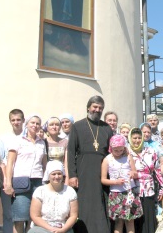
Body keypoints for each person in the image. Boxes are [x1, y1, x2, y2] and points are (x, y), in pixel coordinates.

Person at [67, 95, 114, 233]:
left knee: (101, 202)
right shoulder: (77, 126)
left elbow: (112, 152)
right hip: (84, 169)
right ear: (88, 107)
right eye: (95, 107)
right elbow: (70, 152)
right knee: (85, 202)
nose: (97, 110)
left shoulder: (106, 128)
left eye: (100, 108)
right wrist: (72, 175)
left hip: (102, 170)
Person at [5, 115, 48, 233]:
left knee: (33, 219)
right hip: (21, 182)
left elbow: (44, 165)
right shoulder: (18, 140)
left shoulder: (42, 143)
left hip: (38, 182)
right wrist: (8, 183)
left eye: (38, 123)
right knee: (19, 218)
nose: (35, 125)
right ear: (27, 124)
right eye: (32, 123)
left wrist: (46, 183)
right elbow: (10, 163)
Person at [101, 135, 143, 233]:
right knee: (118, 222)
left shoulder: (128, 157)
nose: (119, 153)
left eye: (121, 150)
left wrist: (133, 173)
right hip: (116, 194)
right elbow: (103, 180)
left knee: (130, 221)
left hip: (129, 193)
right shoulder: (107, 159)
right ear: (111, 148)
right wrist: (115, 182)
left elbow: (135, 173)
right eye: (116, 150)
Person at [128, 127, 163, 233]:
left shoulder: (151, 151)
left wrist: (162, 188)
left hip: (149, 190)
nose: (137, 140)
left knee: (148, 219)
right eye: (134, 138)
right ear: (130, 138)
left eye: (139, 138)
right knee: (136, 221)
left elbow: (157, 171)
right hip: (133, 191)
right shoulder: (126, 153)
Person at [29, 160, 78, 233]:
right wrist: (51, 229)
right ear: (48, 175)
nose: (57, 176)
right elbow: (35, 216)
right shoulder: (40, 191)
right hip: (42, 228)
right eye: (53, 174)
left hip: (63, 228)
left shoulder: (70, 192)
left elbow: (73, 216)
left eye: (59, 174)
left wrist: (63, 230)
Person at [0, 108, 25, 233]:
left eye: (18, 119)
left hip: (24, 180)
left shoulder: (28, 137)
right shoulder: (4, 139)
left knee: (24, 214)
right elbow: (2, 161)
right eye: (13, 120)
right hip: (8, 179)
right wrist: (6, 181)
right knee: (8, 213)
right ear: (10, 122)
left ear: (23, 120)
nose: (16, 122)